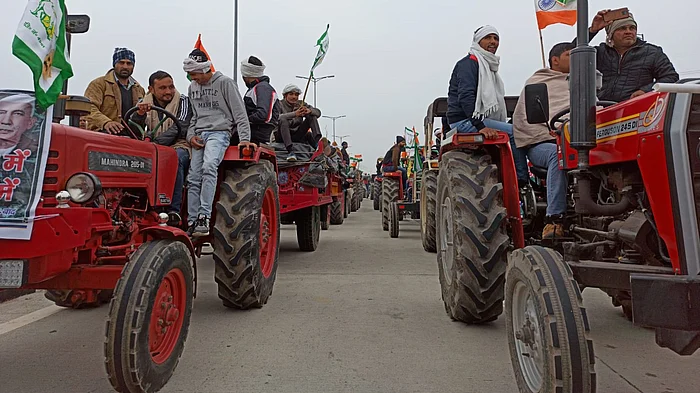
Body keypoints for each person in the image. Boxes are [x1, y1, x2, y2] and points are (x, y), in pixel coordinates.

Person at [183, 49, 253, 237]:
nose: (193, 78)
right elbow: (194, 116)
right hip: (199, 134)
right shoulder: (192, 88)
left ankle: (204, 216)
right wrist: (190, 137)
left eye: (195, 74)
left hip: (219, 133)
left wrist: (245, 139)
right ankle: (191, 219)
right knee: (193, 177)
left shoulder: (225, 83)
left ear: (205, 69)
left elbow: (240, 114)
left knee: (209, 167)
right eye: (190, 75)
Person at [446, 25, 528, 183]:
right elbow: (466, 96)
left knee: (524, 129)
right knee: (514, 133)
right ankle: (520, 181)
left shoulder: (489, 66)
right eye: (488, 38)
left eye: (496, 38)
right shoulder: (469, 63)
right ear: (478, 41)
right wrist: (480, 126)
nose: (493, 42)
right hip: (465, 121)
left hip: (480, 120)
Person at [513, 42, 574, 239]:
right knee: (558, 157)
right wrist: (549, 131)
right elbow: (523, 120)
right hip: (542, 143)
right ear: (555, 60)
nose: (575, 59)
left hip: (580, 141)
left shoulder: (583, 83)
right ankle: (554, 219)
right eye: (569, 55)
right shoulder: (537, 83)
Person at [129, 70, 193, 222]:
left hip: (179, 144)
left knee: (174, 158)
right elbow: (133, 126)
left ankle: (173, 211)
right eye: (163, 88)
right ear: (151, 89)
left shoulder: (183, 102)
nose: (168, 91)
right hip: (151, 147)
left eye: (171, 87)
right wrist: (140, 114)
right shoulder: (143, 103)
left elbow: (181, 127)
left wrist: (155, 144)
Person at [582, 10, 679, 102]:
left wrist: (645, 91)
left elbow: (671, 77)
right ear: (611, 34)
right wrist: (592, 31)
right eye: (622, 28)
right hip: (601, 110)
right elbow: (569, 54)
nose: (628, 32)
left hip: (637, 111)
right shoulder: (599, 52)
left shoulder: (652, 52)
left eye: (632, 28)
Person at [84, 47, 146, 135]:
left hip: (131, 138)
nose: (125, 66)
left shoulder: (139, 90)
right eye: (121, 62)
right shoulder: (99, 84)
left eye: (129, 63)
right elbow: (88, 108)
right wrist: (106, 122)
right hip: (102, 135)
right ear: (114, 64)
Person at [275, 84, 322, 162]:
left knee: (311, 116)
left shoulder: (301, 104)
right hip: (282, 136)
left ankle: (317, 144)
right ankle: (290, 151)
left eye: (296, 95)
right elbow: (277, 118)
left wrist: (309, 111)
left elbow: (318, 112)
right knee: (283, 120)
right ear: (285, 95)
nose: (294, 97)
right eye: (291, 94)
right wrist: (295, 114)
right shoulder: (279, 104)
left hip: (297, 135)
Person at [240, 55, 279, 145]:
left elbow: (263, 115)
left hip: (257, 134)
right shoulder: (255, 88)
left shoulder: (262, 88)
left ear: (245, 75)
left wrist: (242, 120)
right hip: (252, 131)